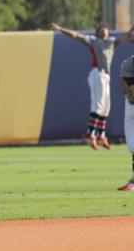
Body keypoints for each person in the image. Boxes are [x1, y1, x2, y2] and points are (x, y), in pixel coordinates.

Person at [50, 22, 134, 150]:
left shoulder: (112, 41)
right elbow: (76, 35)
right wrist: (60, 29)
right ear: (98, 32)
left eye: (105, 28)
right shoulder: (94, 41)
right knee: (98, 105)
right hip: (97, 74)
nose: (103, 30)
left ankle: (101, 135)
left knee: (106, 107)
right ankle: (91, 134)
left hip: (106, 76)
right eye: (101, 29)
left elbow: (127, 35)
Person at [118, 55, 134, 191]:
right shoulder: (128, 63)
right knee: (133, 144)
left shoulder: (127, 63)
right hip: (131, 104)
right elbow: (128, 90)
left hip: (131, 105)